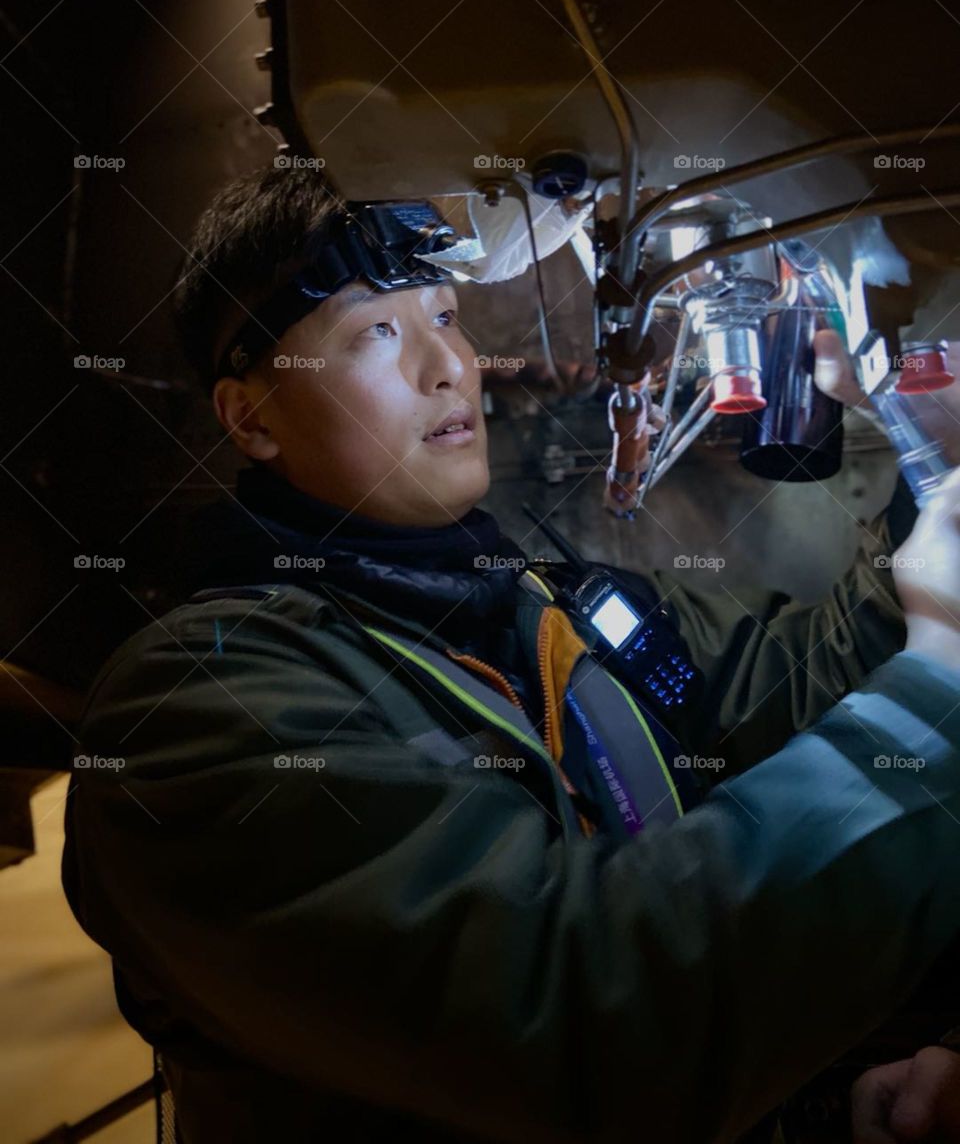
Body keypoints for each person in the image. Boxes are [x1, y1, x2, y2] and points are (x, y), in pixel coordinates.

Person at [61, 166, 960, 1143]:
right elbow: (580, 1020)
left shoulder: (541, 606)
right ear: (251, 416)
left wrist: (936, 478)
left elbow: (797, 682)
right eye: (379, 332)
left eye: (445, 313)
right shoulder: (201, 710)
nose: (448, 364)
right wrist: (934, 691)